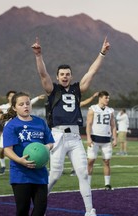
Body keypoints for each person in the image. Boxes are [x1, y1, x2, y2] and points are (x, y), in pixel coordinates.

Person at [31, 36, 110, 216]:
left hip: (74, 137)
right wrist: (38, 55)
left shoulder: (77, 89)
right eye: (62, 74)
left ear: (71, 76)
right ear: (57, 77)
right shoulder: (53, 89)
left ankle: (90, 211)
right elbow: (43, 74)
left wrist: (102, 53)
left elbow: (91, 72)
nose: (65, 77)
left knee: (82, 173)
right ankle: (39, 207)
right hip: (57, 136)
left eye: (68, 74)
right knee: (55, 175)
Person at [2, 92, 54, 216]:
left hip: (40, 174)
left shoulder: (40, 122)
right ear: (14, 108)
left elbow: (50, 142)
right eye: (21, 104)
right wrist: (20, 160)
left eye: (28, 103)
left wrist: (45, 148)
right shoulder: (11, 126)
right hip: (20, 174)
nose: (26, 106)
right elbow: (7, 150)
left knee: (40, 209)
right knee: (22, 210)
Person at [0, 91, 46, 175]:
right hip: (8, 132)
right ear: (8, 98)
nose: (12, 97)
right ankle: (2, 166)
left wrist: (38, 97)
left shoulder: (21, 105)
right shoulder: (4, 107)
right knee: (2, 150)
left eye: (13, 95)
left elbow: (30, 102)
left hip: (19, 131)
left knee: (18, 150)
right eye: (10, 96)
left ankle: (21, 167)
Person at [86, 91, 117, 190]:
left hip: (106, 140)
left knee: (107, 161)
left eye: (108, 98)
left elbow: (113, 125)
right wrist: (88, 137)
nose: (108, 100)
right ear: (100, 98)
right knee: (91, 161)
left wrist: (115, 138)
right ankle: (87, 184)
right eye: (106, 98)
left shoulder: (110, 110)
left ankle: (107, 184)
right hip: (94, 138)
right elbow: (89, 124)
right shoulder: (92, 109)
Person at [70, 92, 99, 177]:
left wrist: (93, 96)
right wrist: (93, 96)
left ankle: (74, 169)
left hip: (73, 129)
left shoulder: (74, 104)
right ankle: (56, 170)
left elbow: (84, 102)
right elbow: (84, 102)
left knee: (74, 151)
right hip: (63, 129)